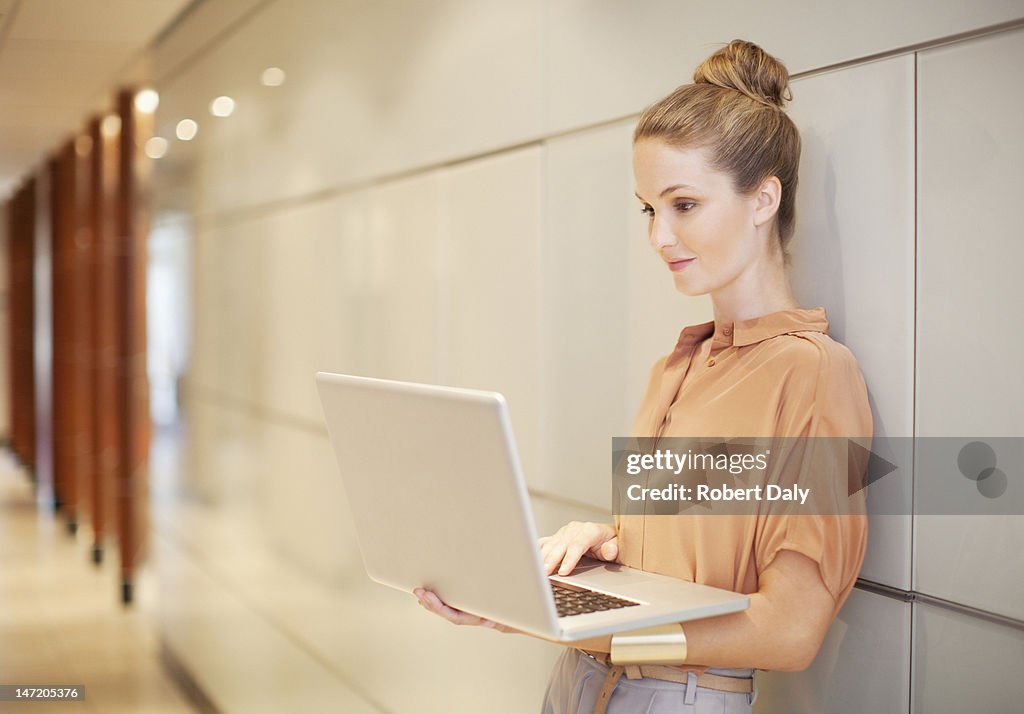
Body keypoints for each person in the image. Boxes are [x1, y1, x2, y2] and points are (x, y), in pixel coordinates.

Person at [415, 38, 871, 714]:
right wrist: (579, 568)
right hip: (578, 685)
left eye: (683, 205)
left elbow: (791, 629)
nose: (659, 236)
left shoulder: (811, 375)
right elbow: (683, 563)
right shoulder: (676, 367)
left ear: (762, 200)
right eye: (648, 208)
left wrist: (597, 631)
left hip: (677, 697)